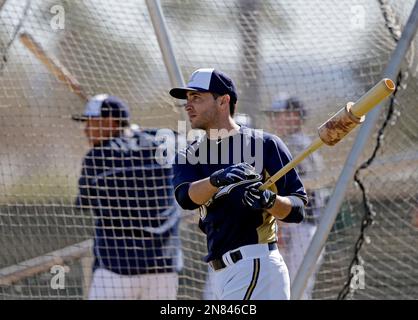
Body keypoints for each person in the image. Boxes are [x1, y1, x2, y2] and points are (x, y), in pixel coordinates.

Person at [169, 68, 308, 300]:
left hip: (255, 264)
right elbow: (186, 198)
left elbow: (297, 208)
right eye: (188, 99)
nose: (188, 105)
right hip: (220, 272)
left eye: (197, 98)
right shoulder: (189, 155)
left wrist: (270, 201)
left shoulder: (264, 144)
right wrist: (217, 180)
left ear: (223, 101)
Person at [72, 94, 182, 300]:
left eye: (91, 122)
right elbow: (180, 137)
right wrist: (139, 134)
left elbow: (83, 203)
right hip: (164, 267)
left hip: (116, 268)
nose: (85, 130)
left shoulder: (97, 157)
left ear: (111, 122)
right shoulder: (162, 146)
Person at [267, 94, 328, 299]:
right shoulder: (289, 143)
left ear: (294, 117)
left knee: (296, 288)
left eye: (279, 115)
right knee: (289, 287)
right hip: (295, 225)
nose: (274, 120)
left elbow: (306, 188)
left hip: (303, 226)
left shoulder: (298, 145)